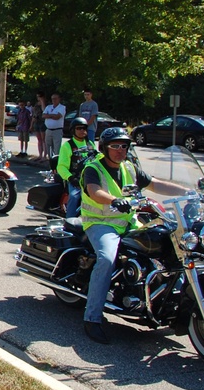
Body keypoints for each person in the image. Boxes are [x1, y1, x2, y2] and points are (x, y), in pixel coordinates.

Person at [79, 127, 189, 344]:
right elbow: (94, 191)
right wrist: (114, 200)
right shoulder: (93, 168)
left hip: (129, 222)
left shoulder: (129, 167)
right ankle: (92, 318)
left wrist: (186, 192)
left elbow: (155, 184)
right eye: (115, 146)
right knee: (107, 259)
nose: (120, 150)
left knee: (171, 243)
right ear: (104, 148)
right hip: (101, 224)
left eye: (124, 146)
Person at [57, 118, 97, 218]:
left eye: (84, 128)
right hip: (75, 179)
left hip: (89, 177)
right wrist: (71, 178)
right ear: (73, 130)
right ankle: (69, 221)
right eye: (79, 128)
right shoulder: (68, 146)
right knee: (74, 196)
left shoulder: (90, 144)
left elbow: (97, 158)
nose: (82, 130)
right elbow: (61, 166)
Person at [42, 93, 65, 167]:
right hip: (48, 130)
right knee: (48, 147)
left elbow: (58, 117)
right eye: (52, 99)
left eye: (55, 98)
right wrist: (52, 115)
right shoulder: (48, 107)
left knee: (56, 148)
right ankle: (51, 164)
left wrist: (49, 115)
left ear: (59, 99)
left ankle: (57, 165)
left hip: (57, 130)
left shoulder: (62, 107)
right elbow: (43, 115)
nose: (54, 100)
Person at [32, 93, 47, 162]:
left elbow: (44, 110)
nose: (38, 98)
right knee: (39, 140)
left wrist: (42, 101)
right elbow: (34, 114)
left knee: (44, 139)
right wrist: (32, 124)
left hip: (43, 122)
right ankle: (40, 155)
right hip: (36, 122)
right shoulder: (36, 104)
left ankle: (44, 156)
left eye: (40, 96)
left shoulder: (46, 104)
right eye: (38, 96)